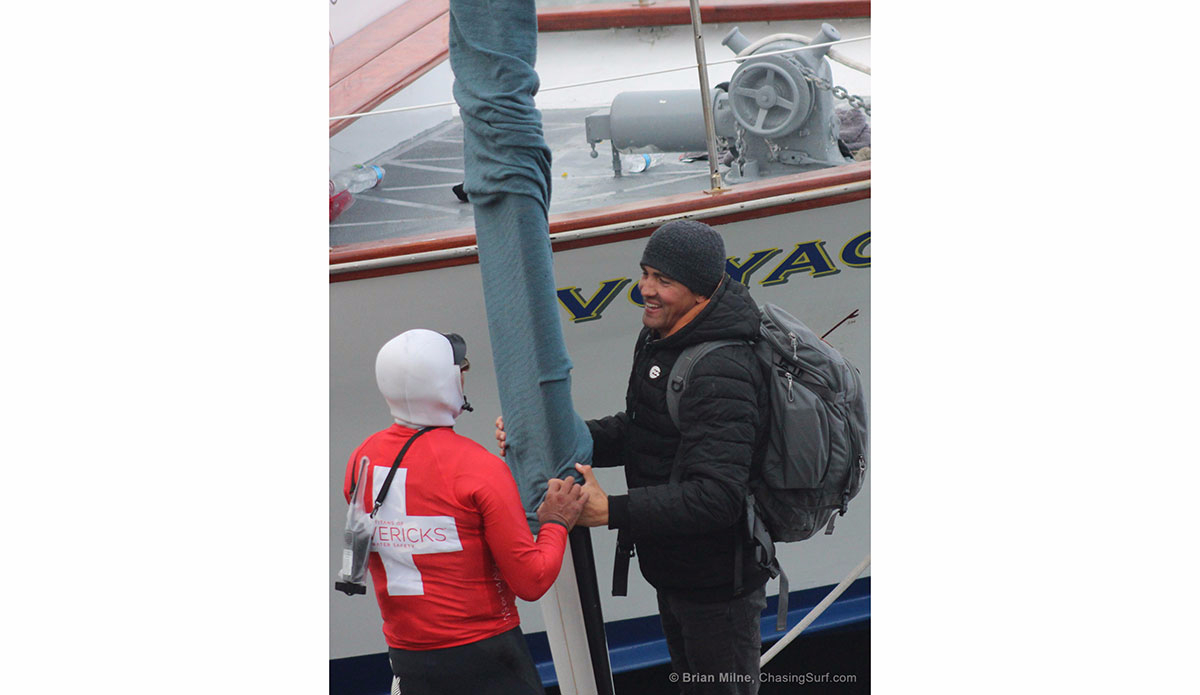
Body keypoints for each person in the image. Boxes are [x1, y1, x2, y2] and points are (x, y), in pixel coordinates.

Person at [496, 220, 771, 694]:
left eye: (664, 280)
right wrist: (554, 437)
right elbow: (640, 429)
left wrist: (613, 512)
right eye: (646, 273)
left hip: (718, 590)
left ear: (702, 291)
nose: (646, 289)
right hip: (675, 572)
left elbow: (719, 497)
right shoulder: (660, 337)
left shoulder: (723, 368)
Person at [345, 329, 587, 695]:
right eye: (461, 368)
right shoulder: (478, 467)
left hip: (408, 660)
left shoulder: (361, 459)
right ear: (448, 383)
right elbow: (532, 580)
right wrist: (556, 521)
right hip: (487, 658)